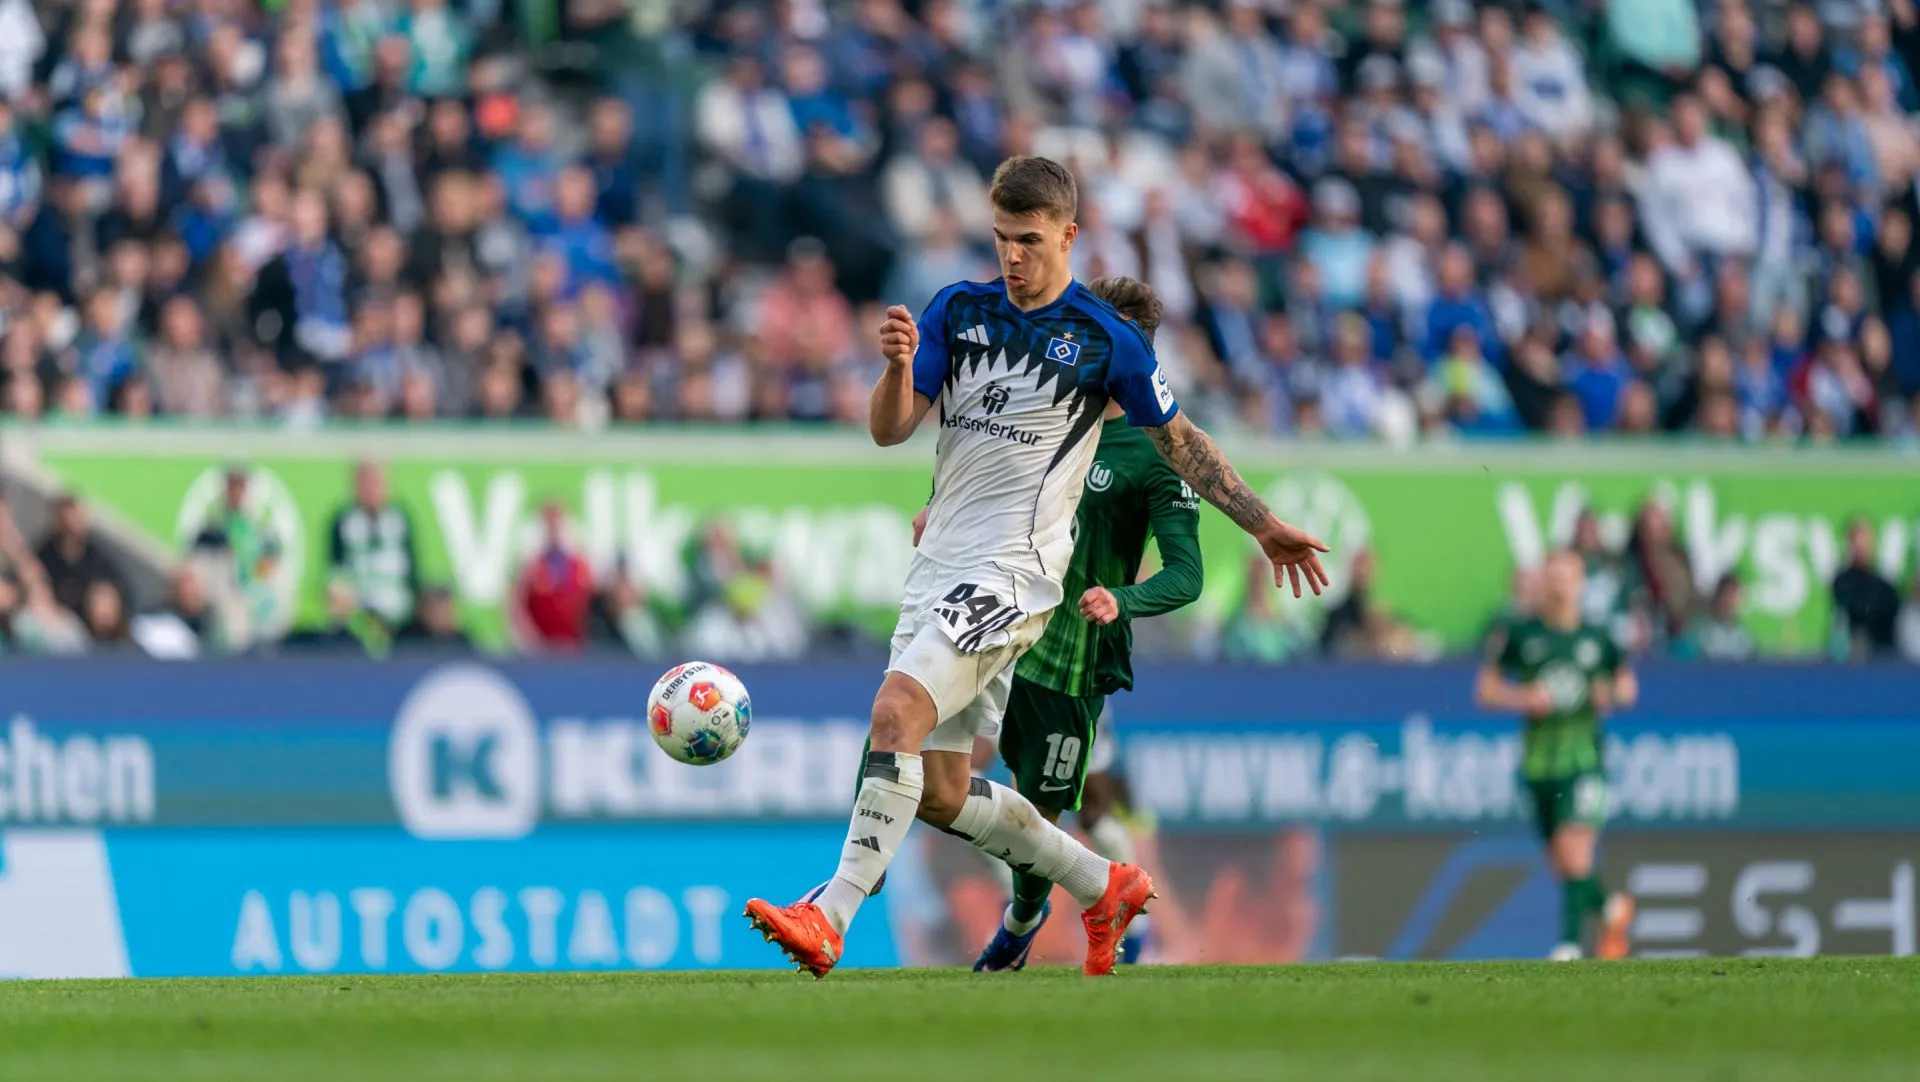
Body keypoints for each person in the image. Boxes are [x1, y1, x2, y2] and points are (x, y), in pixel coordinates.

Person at [743, 155, 1331, 979]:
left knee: (894, 714)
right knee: (941, 791)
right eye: (1001, 238)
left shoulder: (1105, 337)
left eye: (1028, 240)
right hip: (938, 568)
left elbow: (1182, 442)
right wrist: (895, 368)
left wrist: (1263, 525)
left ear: (1067, 235)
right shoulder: (959, 309)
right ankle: (1102, 883)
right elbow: (890, 429)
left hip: (1013, 575)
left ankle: (829, 914)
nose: (1012, 256)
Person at [943, 275, 1205, 971]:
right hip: (996, 627)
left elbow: (1188, 574)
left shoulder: (1158, 453)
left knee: (1044, 814)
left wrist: (1125, 598)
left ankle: (1025, 919)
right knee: (930, 760)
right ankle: (847, 889)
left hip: (1071, 661)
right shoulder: (1041, 411)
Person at [1476, 549, 1637, 962]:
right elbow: (1487, 691)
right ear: (1542, 582)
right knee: (1563, 865)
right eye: (1553, 577)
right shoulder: (1520, 633)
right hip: (1538, 765)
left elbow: (1626, 688)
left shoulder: (1598, 636)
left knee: (1575, 852)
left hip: (1584, 761)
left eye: (1567, 578)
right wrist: (1522, 698)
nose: (1559, 586)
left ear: (1581, 584)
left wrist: (1609, 693)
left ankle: (1569, 946)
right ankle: (1610, 907)